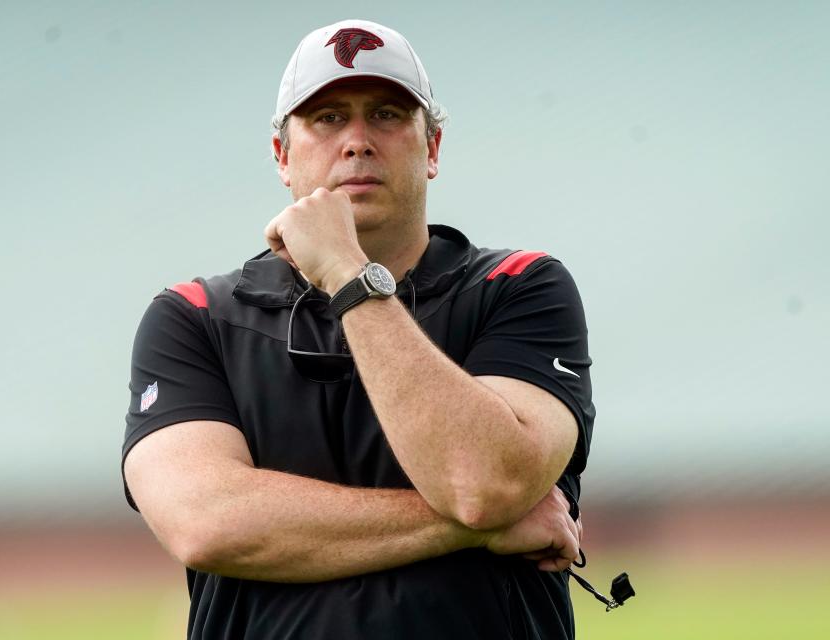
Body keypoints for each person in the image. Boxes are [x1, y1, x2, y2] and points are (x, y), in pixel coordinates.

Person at [122, 18, 595, 640]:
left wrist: (348, 274)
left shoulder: (518, 286)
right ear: (281, 155)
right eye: (326, 118)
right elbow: (209, 525)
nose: (357, 141)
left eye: (387, 114)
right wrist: (477, 527)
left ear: (431, 148)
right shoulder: (194, 317)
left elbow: (482, 485)